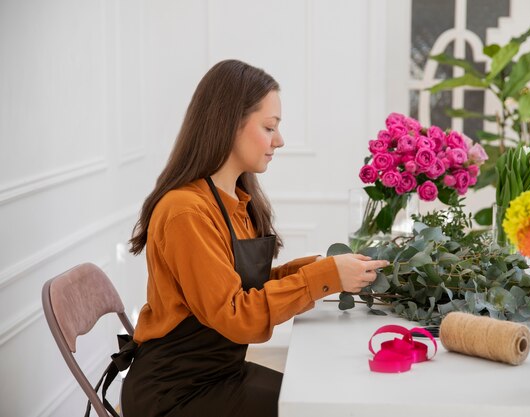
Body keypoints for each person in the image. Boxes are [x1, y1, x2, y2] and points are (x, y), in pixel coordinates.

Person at [121, 59, 389, 417]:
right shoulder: (186, 211)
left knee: (321, 398)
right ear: (230, 124)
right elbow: (235, 314)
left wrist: (327, 271)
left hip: (219, 374)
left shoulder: (236, 199)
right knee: (321, 408)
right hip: (175, 394)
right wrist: (325, 278)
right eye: (269, 127)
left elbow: (250, 287)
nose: (279, 140)